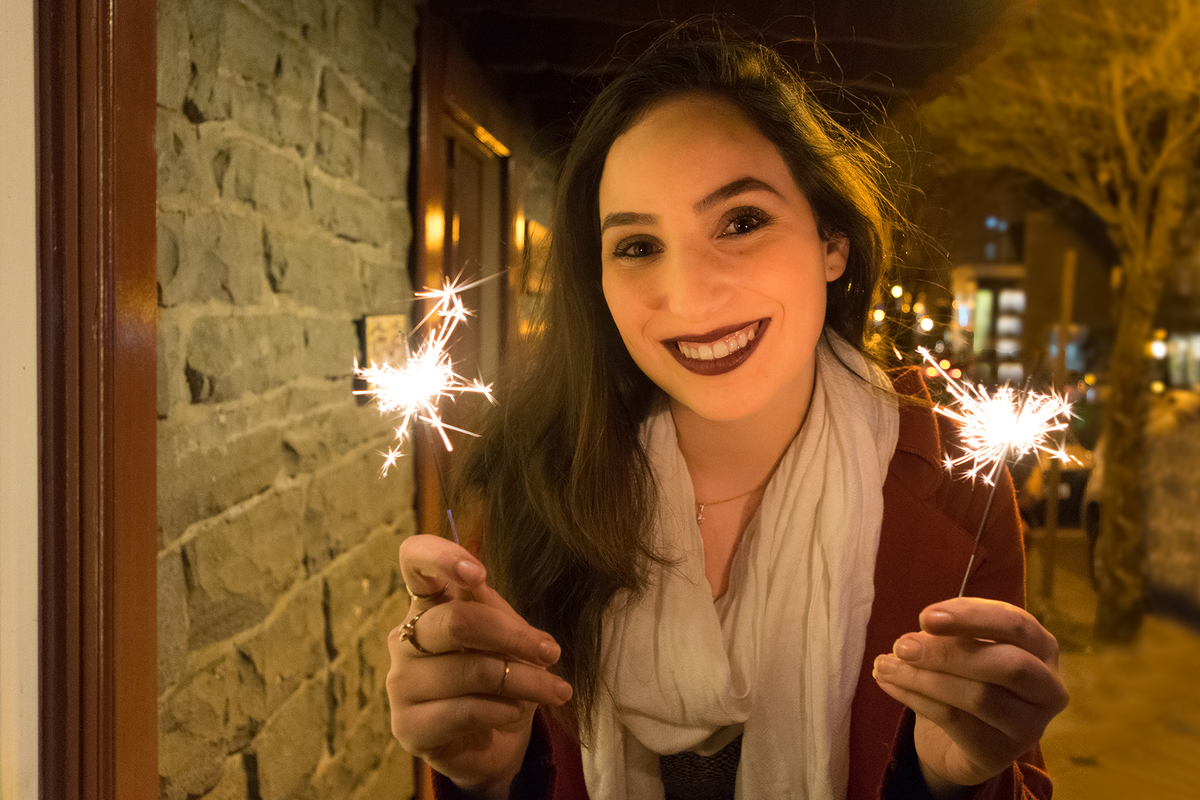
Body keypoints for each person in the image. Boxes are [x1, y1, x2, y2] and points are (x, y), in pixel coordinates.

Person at [386, 35, 1068, 800]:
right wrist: (486, 778)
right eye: (638, 245)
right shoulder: (534, 483)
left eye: (741, 222)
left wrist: (949, 781)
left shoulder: (955, 486)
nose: (691, 298)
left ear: (831, 240)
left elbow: (1018, 778)